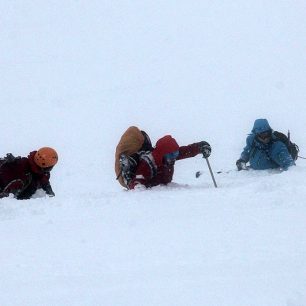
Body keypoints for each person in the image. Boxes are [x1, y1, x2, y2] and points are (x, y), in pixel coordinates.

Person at [125, 135, 211, 190]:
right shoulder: (147, 164)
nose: (174, 157)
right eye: (171, 155)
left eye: (175, 153)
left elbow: (186, 151)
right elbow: (137, 182)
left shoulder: (168, 158)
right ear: (162, 153)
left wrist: (200, 147)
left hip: (165, 194)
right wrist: (139, 187)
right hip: (153, 200)